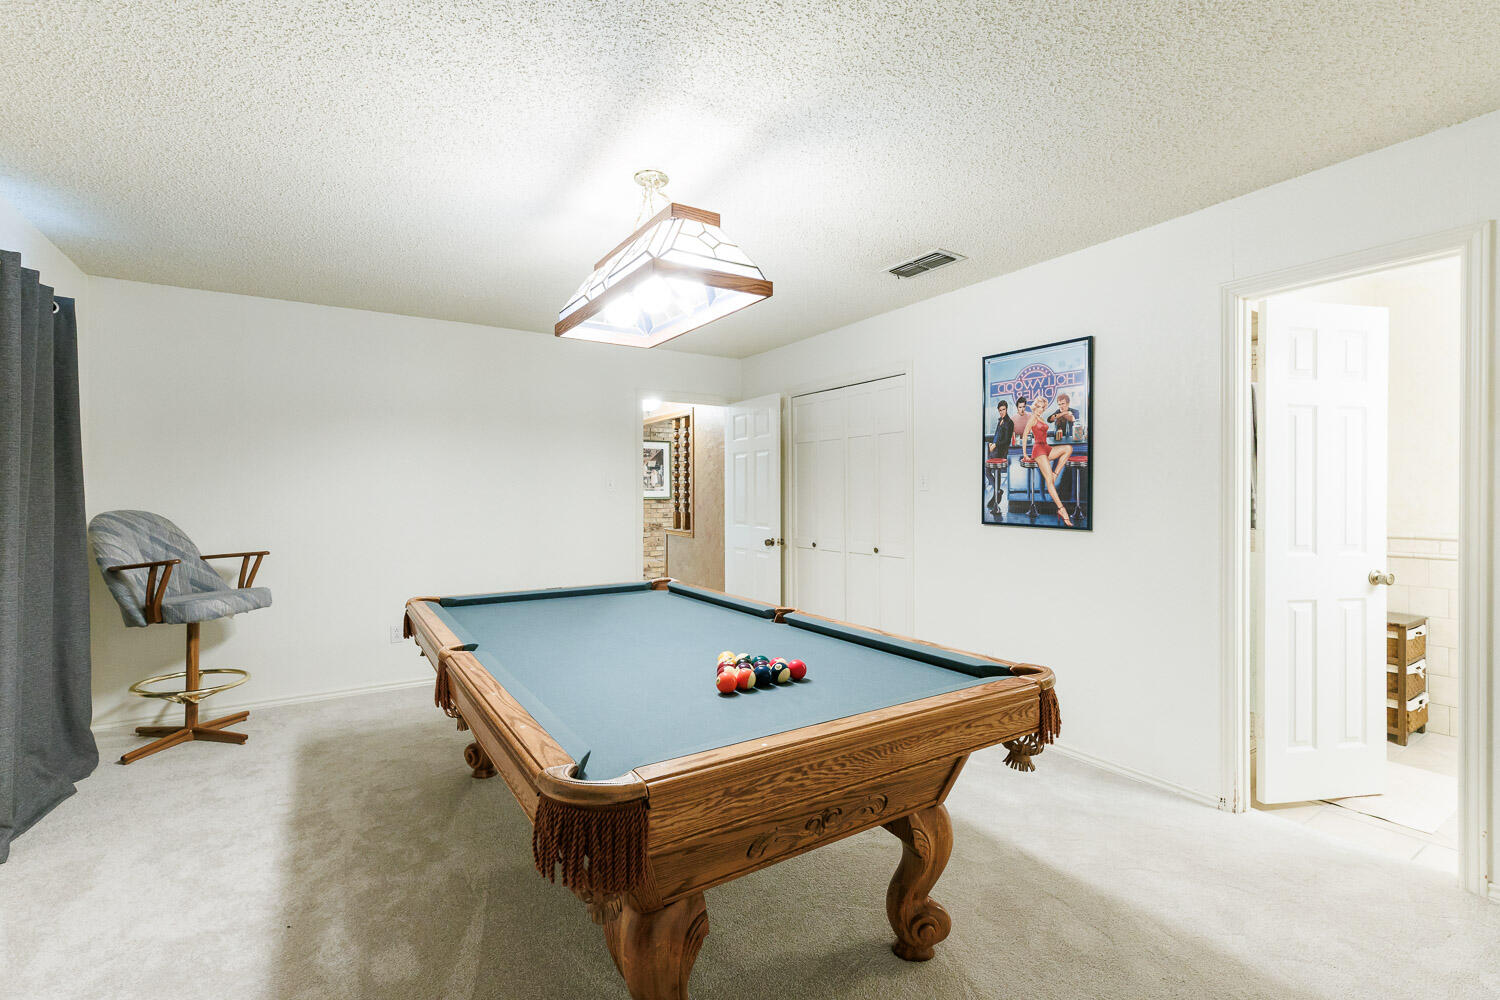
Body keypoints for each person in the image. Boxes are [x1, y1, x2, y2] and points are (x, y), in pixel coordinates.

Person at [1021, 395, 1074, 526]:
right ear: (1034, 407)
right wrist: (1025, 454)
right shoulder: (1033, 418)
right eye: (1038, 407)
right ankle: (1062, 509)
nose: (1040, 409)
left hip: (1046, 447)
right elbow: (1025, 435)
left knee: (1068, 448)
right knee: (1049, 481)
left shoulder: (1041, 418)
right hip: (1038, 450)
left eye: (1042, 407)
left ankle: (1055, 473)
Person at [986, 398, 1014, 516]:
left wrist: (995, 445)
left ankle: (997, 493)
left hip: (1001, 452)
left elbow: (1007, 440)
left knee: (990, 471)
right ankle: (997, 491)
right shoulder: (1000, 420)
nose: (1002, 412)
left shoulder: (1009, 422)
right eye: (1000, 410)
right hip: (994, 450)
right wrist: (992, 443)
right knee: (989, 472)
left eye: (1004, 409)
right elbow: (997, 435)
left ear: (1006, 409)